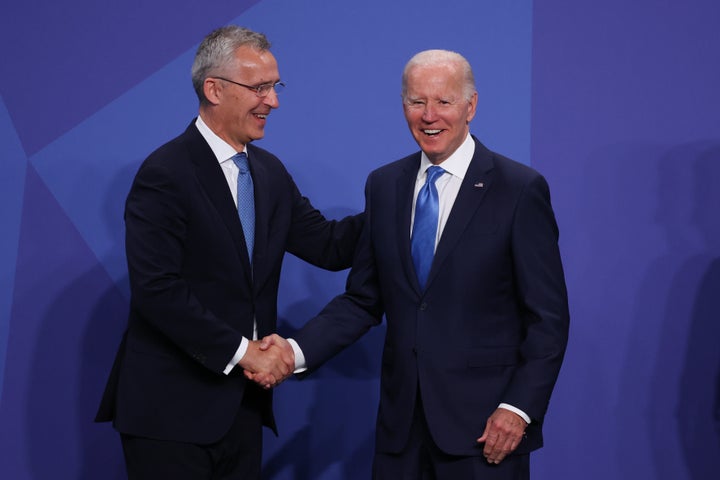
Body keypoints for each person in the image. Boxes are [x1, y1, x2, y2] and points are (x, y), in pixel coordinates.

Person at [252, 49, 569, 479]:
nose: (429, 115)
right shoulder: (385, 186)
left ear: (471, 106)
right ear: (403, 106)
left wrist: (518, 409)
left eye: (444, 101)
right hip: (401, 434)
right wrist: (293, 351)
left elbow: (548, 319)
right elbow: (363, 301)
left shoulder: (518, 190)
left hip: (486, 432)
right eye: (417, 102)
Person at [95, 25, 361, 479]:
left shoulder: (269, 173)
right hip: (170, 415)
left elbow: (331, 246)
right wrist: (245, 353)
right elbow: (157, 290)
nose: (273, 101)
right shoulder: (166, 173)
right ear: (214, 89)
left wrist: (405, 201)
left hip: (243, 409)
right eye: (260, 88)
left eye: (275, 87)